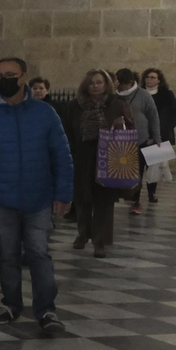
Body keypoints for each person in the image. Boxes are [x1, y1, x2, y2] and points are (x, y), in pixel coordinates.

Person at [0, 58, 73, 333]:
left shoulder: (45, 113)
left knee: (38, 254)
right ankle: (10, 304)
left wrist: (64, 193)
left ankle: (47, 311)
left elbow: (62, 155)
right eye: (1, 76)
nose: (6, 80)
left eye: (12, 74)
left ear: (24, 77)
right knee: (7, 256)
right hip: (1, 200)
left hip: (38, 199)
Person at [67, 70, 133, 259]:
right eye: (91, 83)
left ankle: (99, 241)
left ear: (106, 85)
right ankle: (83, 233)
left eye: (99, 82)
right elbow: (68, 130)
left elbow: (130, 128)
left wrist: (120, 126)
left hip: (108, 155)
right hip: (82, 155)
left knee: (104, 201)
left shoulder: (117, 104)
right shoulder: (75, 106)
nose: (95, 86)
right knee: (82, 198)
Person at [114, 69, 162, 216]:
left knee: (138, 172)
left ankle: (136, 201)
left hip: (140, 139)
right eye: (120, 84)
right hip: (117, 140)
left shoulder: (143, 95)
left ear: (131, 82)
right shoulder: (113, 95)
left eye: (125, 84)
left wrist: (156, 137)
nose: (123, 88)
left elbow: (153, 116)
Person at [142, 68, 176, 203]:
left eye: (153, 77)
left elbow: (175, 112)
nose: (149, 79)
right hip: (142, 134)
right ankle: (134, 196)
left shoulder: (166, 94)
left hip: (160, 134)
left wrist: (166, 127)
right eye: (147, 77)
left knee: (154, 166)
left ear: (159, 80)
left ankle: (151, 193)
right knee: (139, 165)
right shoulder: (140, 94)